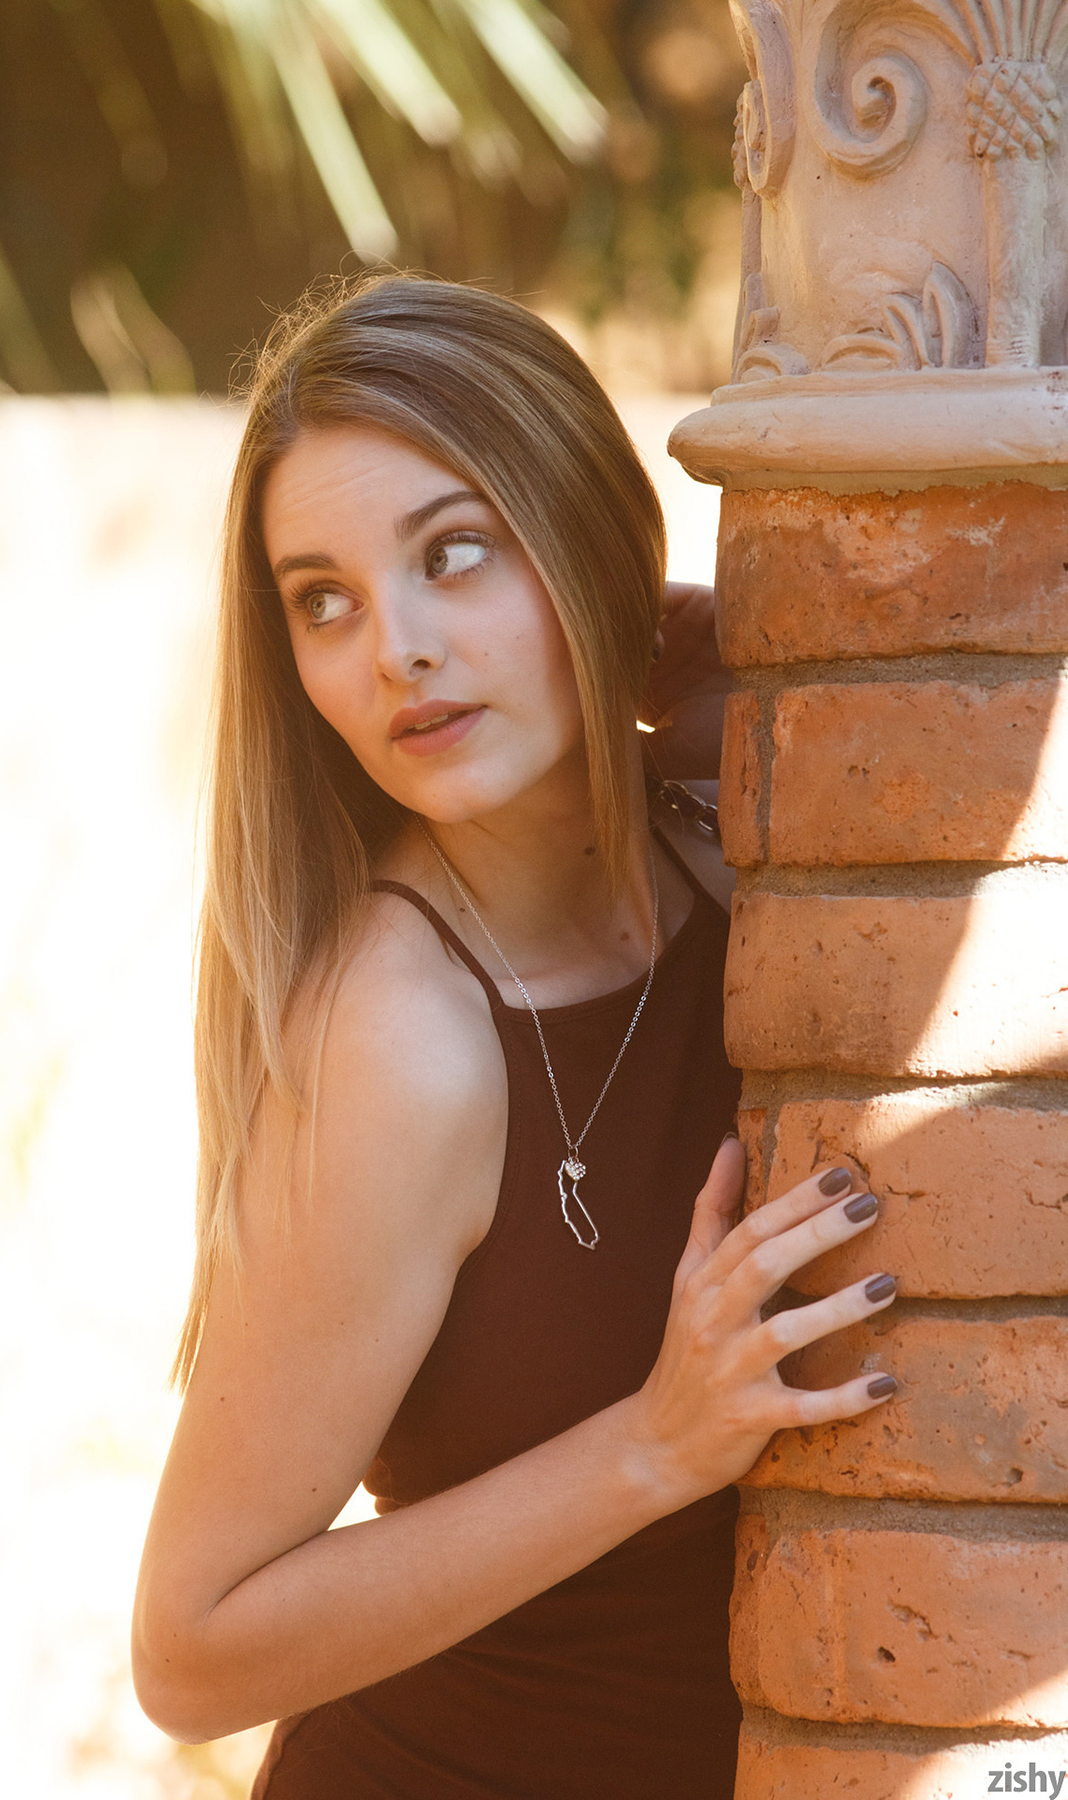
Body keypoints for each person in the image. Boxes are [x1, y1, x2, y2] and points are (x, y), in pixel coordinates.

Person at [131, 275, 897, 1799]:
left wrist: (732, 680)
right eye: (325, 601)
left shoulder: (737, 856)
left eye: (454, 553)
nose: (397, 650)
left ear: (589, 542)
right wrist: (654, 1446)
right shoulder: (401, 1039)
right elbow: (192, 1650)